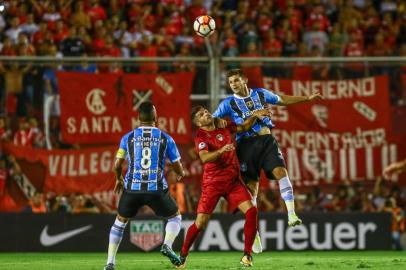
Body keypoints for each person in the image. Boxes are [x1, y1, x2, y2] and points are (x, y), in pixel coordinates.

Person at [213, 69, 323, 230]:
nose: (234, 84)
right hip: (246, 145)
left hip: (266, 140)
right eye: (231, 82)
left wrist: (306, 98)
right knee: (252, 188)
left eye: (236, 80)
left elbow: (282, 99)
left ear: (245, 80)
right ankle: (254, 231)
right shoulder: (227, 103)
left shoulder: (261, 94)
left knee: (281, 172)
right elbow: (214, 120)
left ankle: (292, 214)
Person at [178, 106, 271, 268]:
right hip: (213, 184)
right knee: (200, 223)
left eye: (206, 111)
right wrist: (221, 150)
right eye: (201, 114)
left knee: (252, 210)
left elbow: (243, 127)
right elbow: (204, 158)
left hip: (233, 182)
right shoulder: (201, 136)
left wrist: (255, 115)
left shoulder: (223, 124)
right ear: (198, 123)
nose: (206, 113)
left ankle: (247, 255)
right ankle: (183, 255)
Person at [103, 102, 185, 270]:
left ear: (138, 118)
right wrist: (180, 173)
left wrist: (118, 178)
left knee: (120, 222)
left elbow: (117, 165)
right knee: (175, 217)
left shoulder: (128, 137)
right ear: (156, 117)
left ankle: (110, 263)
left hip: (132, 188)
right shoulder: (166, 138)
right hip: (156, 189)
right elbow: (177, 164)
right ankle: (167, 245)